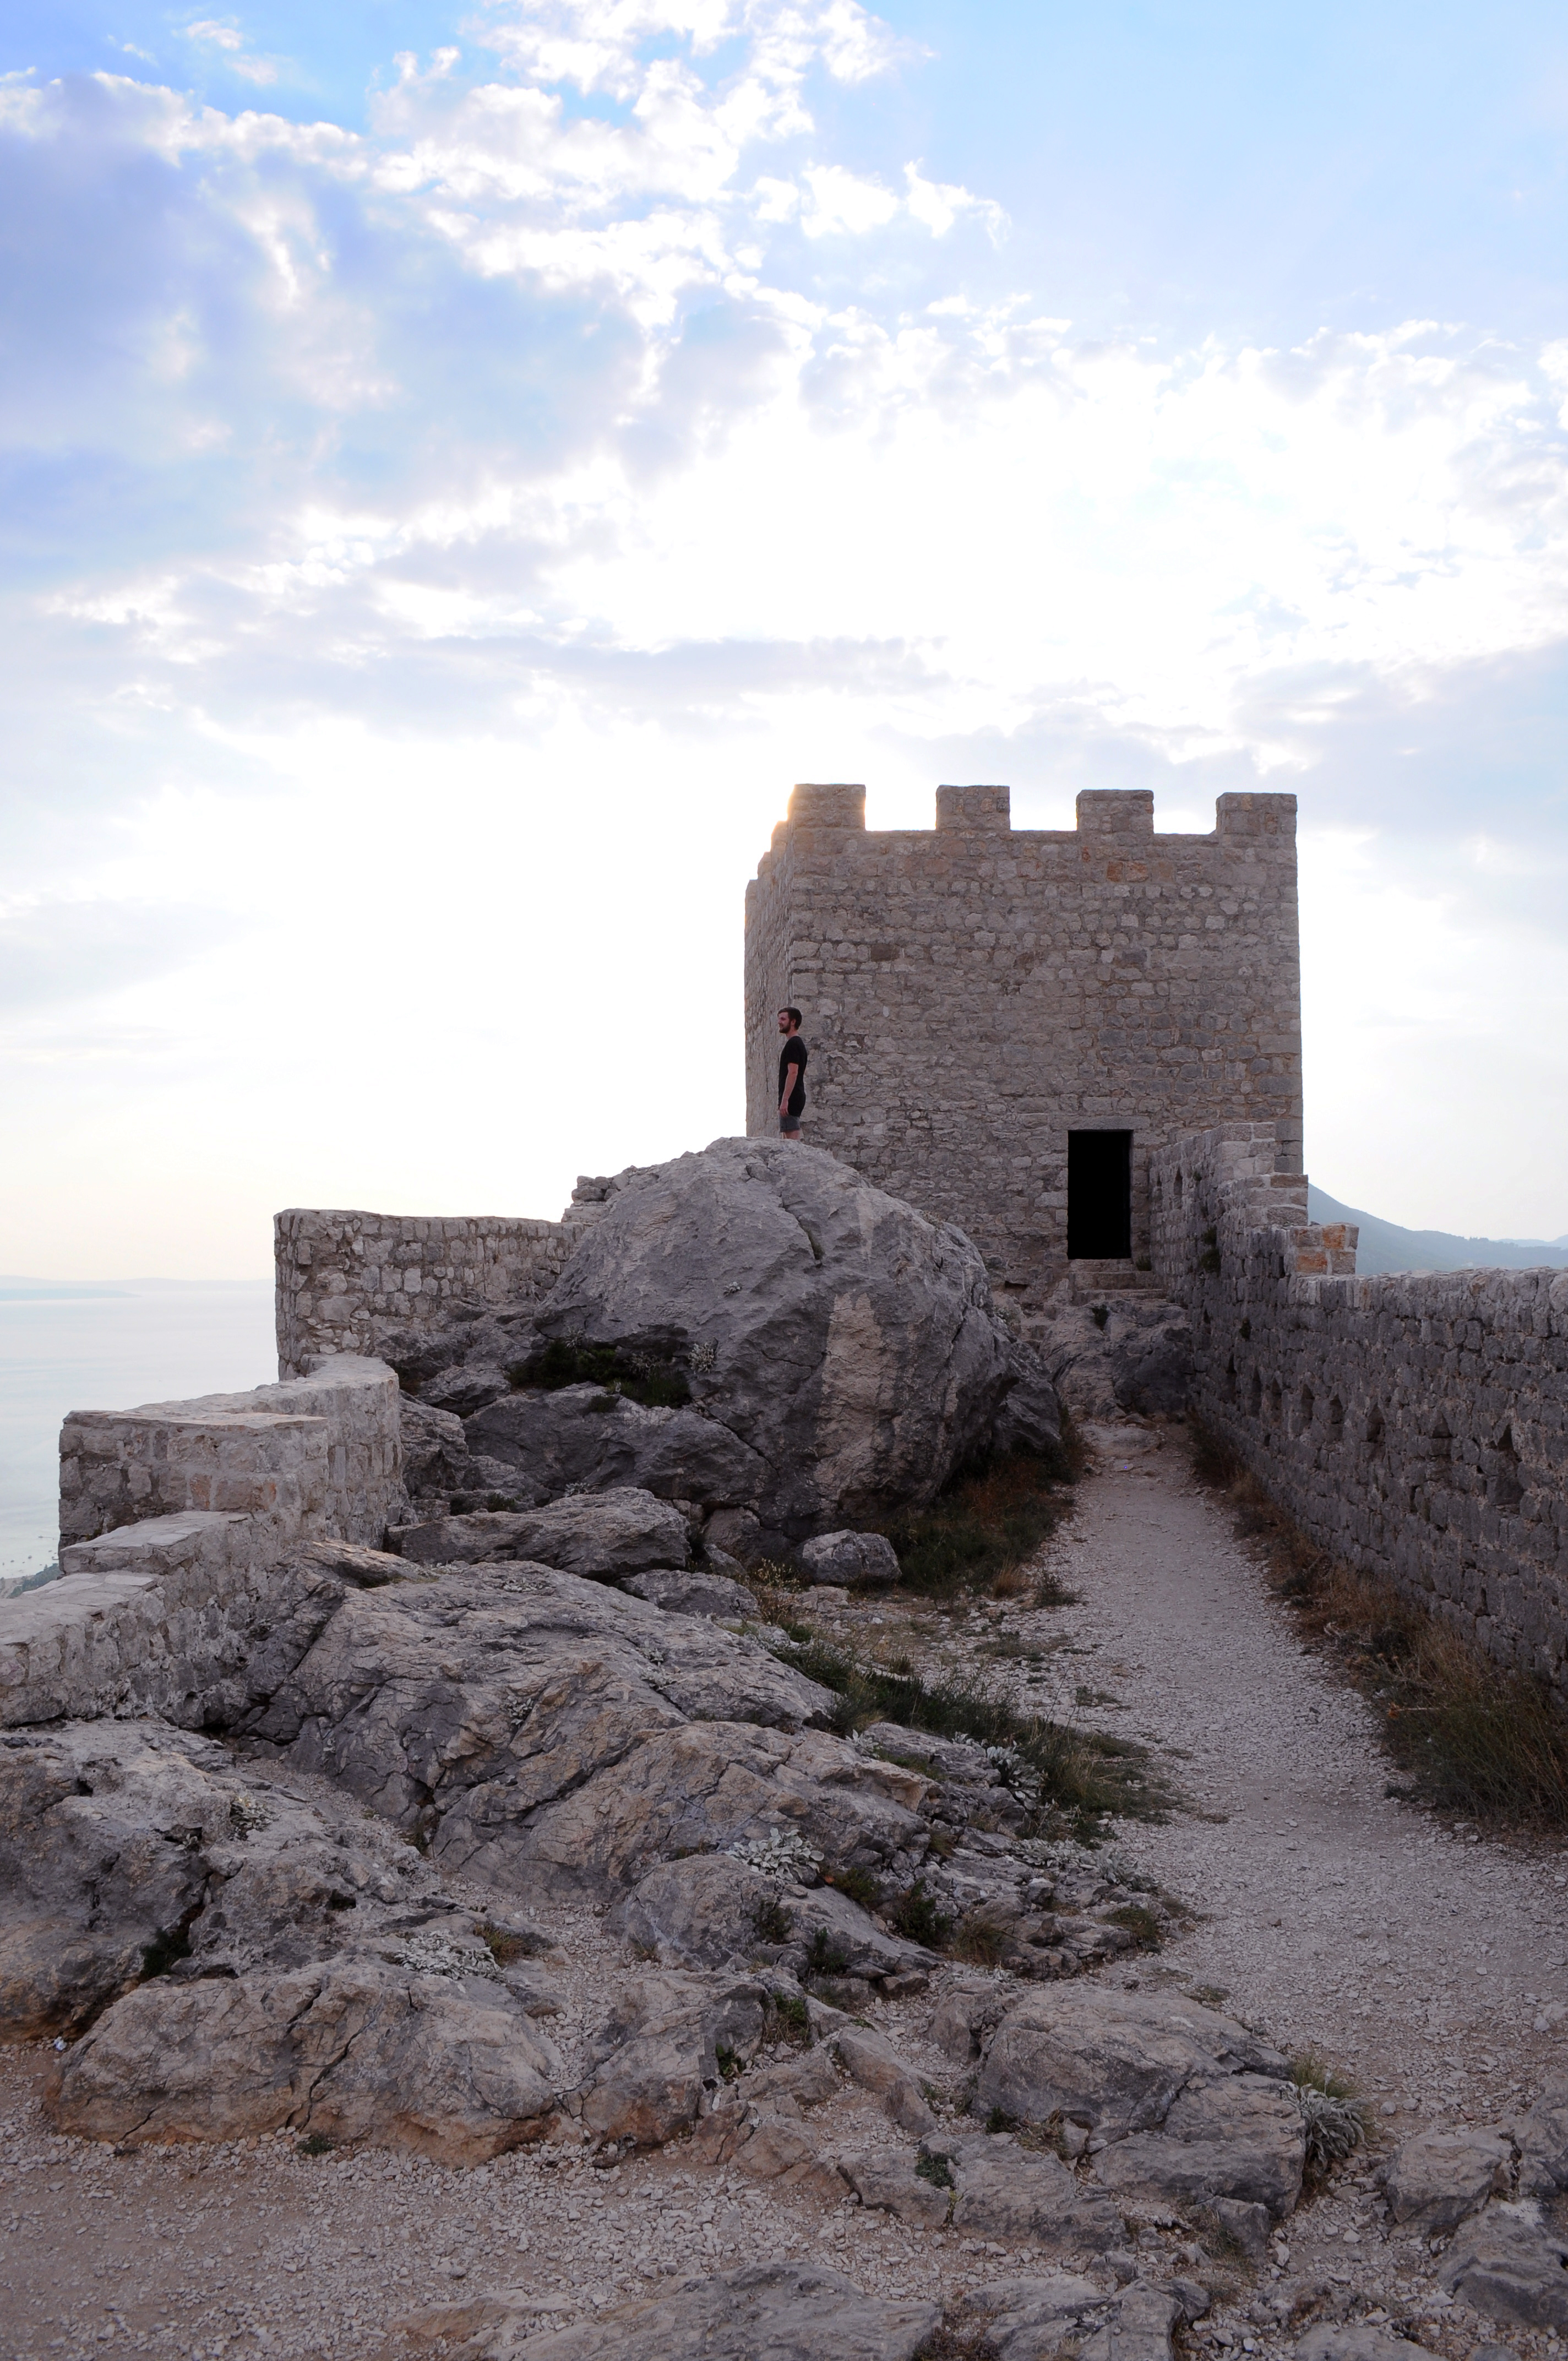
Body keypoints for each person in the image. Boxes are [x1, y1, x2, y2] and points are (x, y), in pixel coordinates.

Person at [777, 1007, 807, 1139]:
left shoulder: (793, 1044)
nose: (779, 1022)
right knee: (788, 1143)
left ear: (793, 1022)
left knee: (792, 1144)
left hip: (792, 1099)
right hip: (794, 1098)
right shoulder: (797, 1044)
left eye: (783, 1019)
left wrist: (785, 1100)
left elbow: (793, 1072)